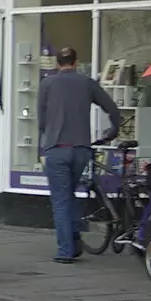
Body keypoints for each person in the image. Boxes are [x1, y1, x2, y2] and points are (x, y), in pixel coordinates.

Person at [38, 47, 122, 264]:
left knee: (61, 200)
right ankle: (74, 241)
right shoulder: (87, 83)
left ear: (58, 63)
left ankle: (65, 250)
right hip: (80, 150)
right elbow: (112, 108)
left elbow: (41, 118)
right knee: (70, 194)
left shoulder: (47, 84)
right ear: (75, 63)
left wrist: (47, 137)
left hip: (57, 148)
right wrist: (112, 132)